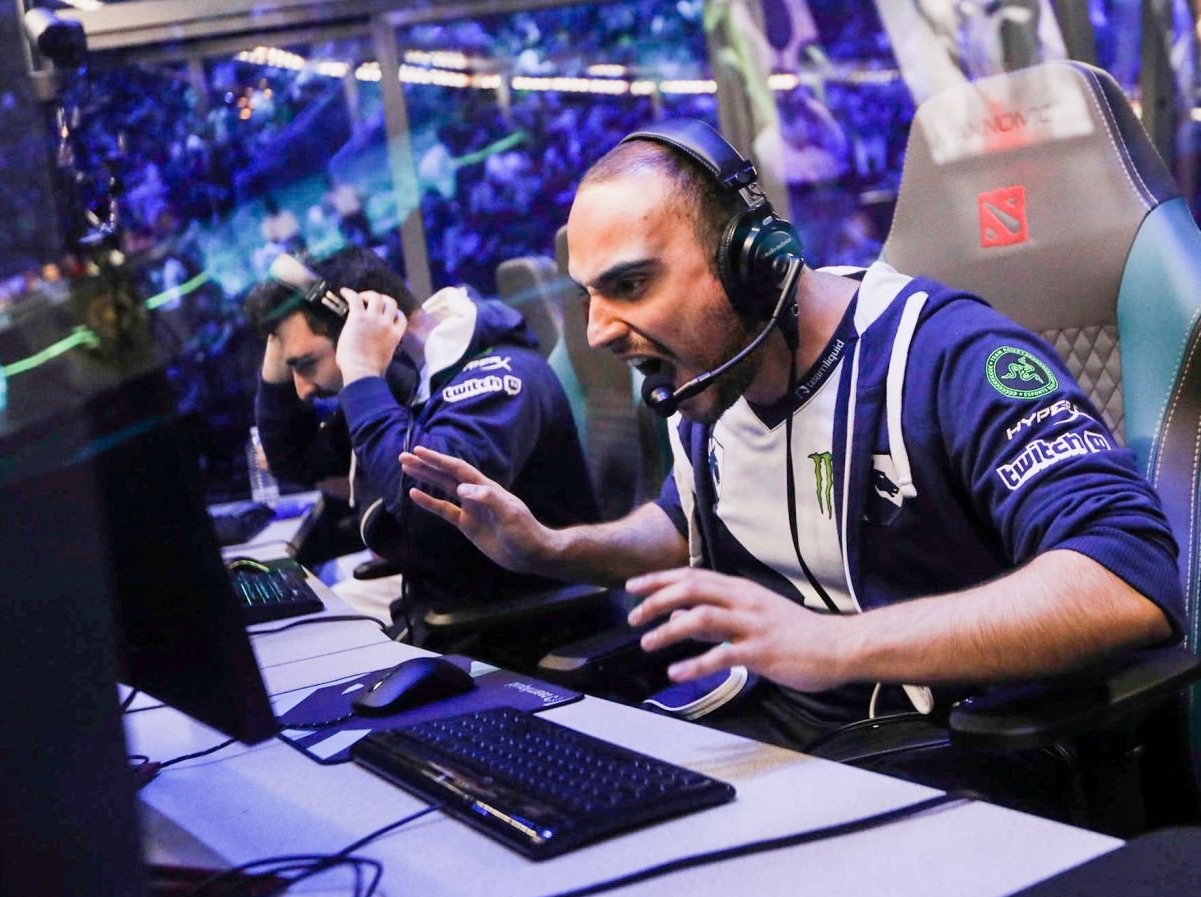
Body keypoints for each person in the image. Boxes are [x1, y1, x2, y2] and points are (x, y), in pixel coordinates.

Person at [400, 120, 1182, 768]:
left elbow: (1128, 581)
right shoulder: (708, 382)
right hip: (784, 736)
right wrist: (551, 548)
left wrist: (836, 645)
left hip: (943, 751)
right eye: (589, 297)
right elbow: (683, 524)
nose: (599, 330)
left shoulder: (945, 358)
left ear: (751, 262)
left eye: (630, 285)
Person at [246, 245, 599, 641]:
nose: (303, 390)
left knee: (301, 643)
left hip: (512, 629)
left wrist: (361, 371)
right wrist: (277, 349)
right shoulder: (408, 380)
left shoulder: (502, 378)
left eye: (306, 363)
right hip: (439, 598)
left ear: (358, 325)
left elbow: (423, 505)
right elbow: (294, 460)